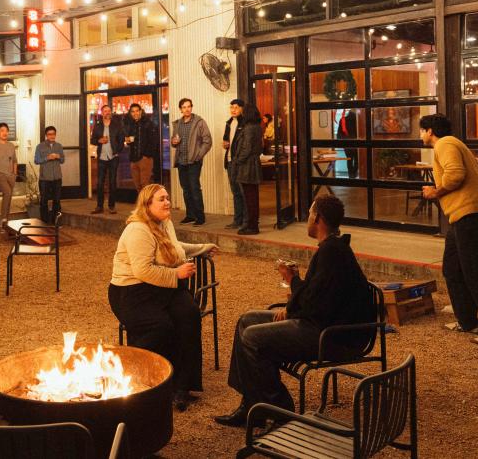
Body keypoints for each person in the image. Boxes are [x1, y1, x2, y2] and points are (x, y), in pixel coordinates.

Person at [214, 195, 374, 426]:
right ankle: (252, 404)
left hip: (332, 335)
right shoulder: (330, 248)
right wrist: (294, 297)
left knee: (251, 337)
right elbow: (316, 296)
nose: (308, 218)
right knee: (246, 320)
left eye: (309, 213)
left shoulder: (332, 252)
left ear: (317, 218)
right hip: (319, 323)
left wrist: (292, 283)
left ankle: (281, 409)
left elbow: (316, 306)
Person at [108, 184, 217, 411]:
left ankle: (182, 386)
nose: (167, 202)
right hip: (132, 291)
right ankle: (150, 383)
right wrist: (176, 274)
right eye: (161, 199)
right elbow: (143, 270)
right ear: (147, 205)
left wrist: (201, 248)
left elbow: (174, 248)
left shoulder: (164, 223)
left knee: (189, 315)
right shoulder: (138, 229)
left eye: (168, 197)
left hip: (162, 288)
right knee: (160, 326)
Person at [420, 113, 478, 346]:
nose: (420, 135)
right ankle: (467, 321)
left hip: (471, 215)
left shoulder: (445, 143)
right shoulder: (450, 144)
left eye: (421, 130)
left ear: (430, 131)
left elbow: (455, 175)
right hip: (462, 216)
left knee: (476, 271)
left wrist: (435, 191)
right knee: (453, 268)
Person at [171, 98, 212, 226]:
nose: (186, 109)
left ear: (192, 107)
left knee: (194, 188)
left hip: (194, 161)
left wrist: (198, 155)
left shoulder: (199, 122)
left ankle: (200, 217)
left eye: (189, 106)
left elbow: (207, 141)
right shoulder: (177, 124)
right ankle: (190, 215)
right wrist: (173, 142)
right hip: (181, 161)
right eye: (184, 107)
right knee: (186, 189)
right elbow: (174, 141)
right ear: (180, 109)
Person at [230, 104, 263, 235]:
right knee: (252, 196)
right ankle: (252, 224)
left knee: (249, 197)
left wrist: (238, 161)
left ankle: (252, 226)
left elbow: (247, 148)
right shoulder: (257, 127)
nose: (242, 114)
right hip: (253, 163)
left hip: (247, 166)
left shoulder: (249, 128)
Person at [91, 104, 124, 214]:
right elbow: (93, 140)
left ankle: (111, 206)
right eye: (105, 111)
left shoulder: (117, 125)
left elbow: (121, 140)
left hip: (113, 157)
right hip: (101, 157)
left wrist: (117, 152)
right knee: (100, 183)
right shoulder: (98, 125)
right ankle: (99, 206)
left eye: (109, 111)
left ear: (111, 112)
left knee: (112, 182)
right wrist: (99, 140)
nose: (107, 112)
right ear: (102, 113)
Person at [34, 126, 65, 223]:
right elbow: (36, 160)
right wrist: (47, 158)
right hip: (45, 178)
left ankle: (56, 222)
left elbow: (63, 160)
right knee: (44, 201)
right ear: (46, 135)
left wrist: (58, 156)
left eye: (54, 134)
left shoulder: (59, 146)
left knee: (57, 200)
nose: (52, 136)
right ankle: (44, 222)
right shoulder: (40, 146)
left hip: (57, 177)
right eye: (50, 134)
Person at [125, 103, 159, 191]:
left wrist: (146, 156)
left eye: (137, 111)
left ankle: (147, 204)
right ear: (130, 113)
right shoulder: (131, 125)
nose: (135, 113)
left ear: (140, 112)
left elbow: (154, 142)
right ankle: (142, 204)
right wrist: (128, 140)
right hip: (133, 159)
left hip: (145, 159)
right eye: (133, 112)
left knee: (145, 184)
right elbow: (130, 140)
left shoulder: (148, 123)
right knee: (137, 185)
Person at [223, 99, 246, 229]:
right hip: (230, 161)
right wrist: (225, 143)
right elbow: (226, 140)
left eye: (236, 107)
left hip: (240, 163)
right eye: (231, 107)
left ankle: (246, 220)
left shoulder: (245, 123)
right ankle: (237, 220)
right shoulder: (229, 123)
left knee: (243, 192)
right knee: (235, 192)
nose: (233, 110)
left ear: (242, 109)